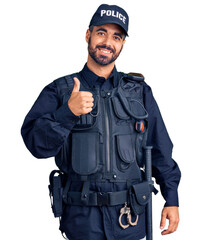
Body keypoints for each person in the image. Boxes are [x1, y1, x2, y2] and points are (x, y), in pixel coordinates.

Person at [21, 4, 181, 240]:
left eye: (117, 36)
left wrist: (172, 198)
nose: (108, 42)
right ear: (88, 35)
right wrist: (67, 113)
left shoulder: (139, 92)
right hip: (82, 223)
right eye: (101, 33)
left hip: (130, 220)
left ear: (122, 44)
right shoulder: (60, 90)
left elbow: (160, 149)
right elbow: (35, 144)